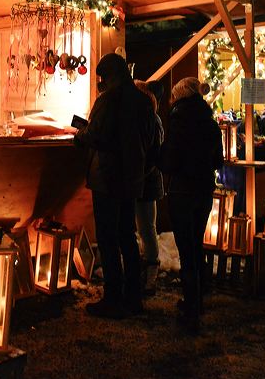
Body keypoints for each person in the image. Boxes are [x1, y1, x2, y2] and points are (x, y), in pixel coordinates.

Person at [75, 53, 156, 319]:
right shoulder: (144, 102)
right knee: (127, 237)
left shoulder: (108, 100)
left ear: (109, 76)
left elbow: (96, 134)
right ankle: (133, 297)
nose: (100, 83)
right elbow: (151, 142)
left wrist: (80, 134)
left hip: (108, 178)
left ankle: (112, 298)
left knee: (109, 239)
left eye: (102, 78)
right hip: (132, 179)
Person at [158, 77, 223, 334]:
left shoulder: (179, 122)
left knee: (186, 249)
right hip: (204, 191)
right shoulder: (210, 123)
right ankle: (197, 301)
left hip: (182, 191)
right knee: (196, 245)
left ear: (179, 97)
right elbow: (218, 161)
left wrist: (161, 157)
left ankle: (191, 311)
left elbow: (170, 161)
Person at [134, 79, 164, 295]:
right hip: (145, 180)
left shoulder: (151, 120)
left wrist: (140, 174)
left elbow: (153, 155)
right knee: (144, 227)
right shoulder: (151, 119)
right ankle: (145, 273)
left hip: (146, 181)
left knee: (146, 227)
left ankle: (150, 275)